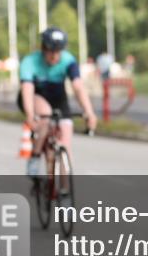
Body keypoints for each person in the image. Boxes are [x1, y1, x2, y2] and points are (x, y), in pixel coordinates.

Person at [19, 27, 98, 176]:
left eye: (58, 51)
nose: (55, 56)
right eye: (51, 51)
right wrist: (30, 115)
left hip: (58, 98)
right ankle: (35, 156)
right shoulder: (30, 62)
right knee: (45, 116)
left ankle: (63, 191)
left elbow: (78, 87)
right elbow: (27, 89)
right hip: (35, 97)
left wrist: (89, 112)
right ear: (43, 49)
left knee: (65, 143)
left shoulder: (68, 60)